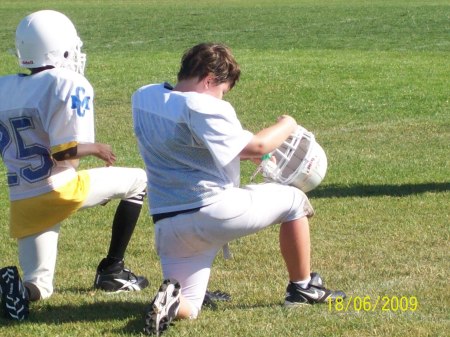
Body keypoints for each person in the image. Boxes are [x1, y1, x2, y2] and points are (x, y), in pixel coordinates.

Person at [132, 42, 346, 335]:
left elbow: (190, 136)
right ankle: (303, 287)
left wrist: (245, 150)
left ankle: (169, 302)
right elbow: (258, 145)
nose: (221, 97)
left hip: (168, 224)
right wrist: (288, 124)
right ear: (209, 78)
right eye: (222, 89)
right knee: (295, 200)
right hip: (212, 212)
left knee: (190, 306)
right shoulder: (203, 105)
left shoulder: (144, 96)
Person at [0, 10, 149, 321]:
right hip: (60, 188)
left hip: (24, 200)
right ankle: (113, 270)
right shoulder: (65, 81)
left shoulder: (5, 87)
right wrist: (95, 148)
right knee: (140, 181)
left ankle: (18, 294)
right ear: (60, 48)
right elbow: (65, 155)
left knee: (39, 285)